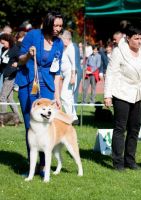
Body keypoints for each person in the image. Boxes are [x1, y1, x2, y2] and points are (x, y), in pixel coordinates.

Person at [104, 24, 141, 171]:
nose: (139, 41)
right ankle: (118, 163)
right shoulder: (118, 52)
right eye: (136, 38)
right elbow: (110, 73)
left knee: (134, 128)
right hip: (121, 92)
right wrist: (107, 96)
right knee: (120, 128)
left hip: (138, 92)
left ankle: (130, 160)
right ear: (128, 38)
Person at [16, 11, 64, 176]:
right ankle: (32, 166)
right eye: (56, 25)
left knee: (46, 127)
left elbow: (57, 72)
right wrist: (29, 54)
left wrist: (57, 96)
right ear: (49, 23)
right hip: (28, 83)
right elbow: (20, 60)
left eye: (60, 26)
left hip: (47, 86)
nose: (58, 29)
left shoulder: (59, 43)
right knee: (31, 126)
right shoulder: (33, 35)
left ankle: (44, 166)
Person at [0, 33, 21, 118]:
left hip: (11, 76)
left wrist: (17, 64)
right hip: (4, 75)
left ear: (8, 41)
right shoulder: (3, 49)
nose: (3, 44)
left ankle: (2, 118)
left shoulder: (15, 49)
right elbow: (3, 62)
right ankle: (17, 117)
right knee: (10, 98)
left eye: (4, 43)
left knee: (2, 97)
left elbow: (22, 60)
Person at [60, 30, 78, 124]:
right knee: (69, 97)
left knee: (64, 96)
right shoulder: (66, 48)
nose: (61, 42)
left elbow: (74, 64)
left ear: (67, 39)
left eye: (62, 40)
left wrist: (72, 77)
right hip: (66, 75)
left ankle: (68, 118)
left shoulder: (71, 48)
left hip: (70, 75)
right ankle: (74, 118)